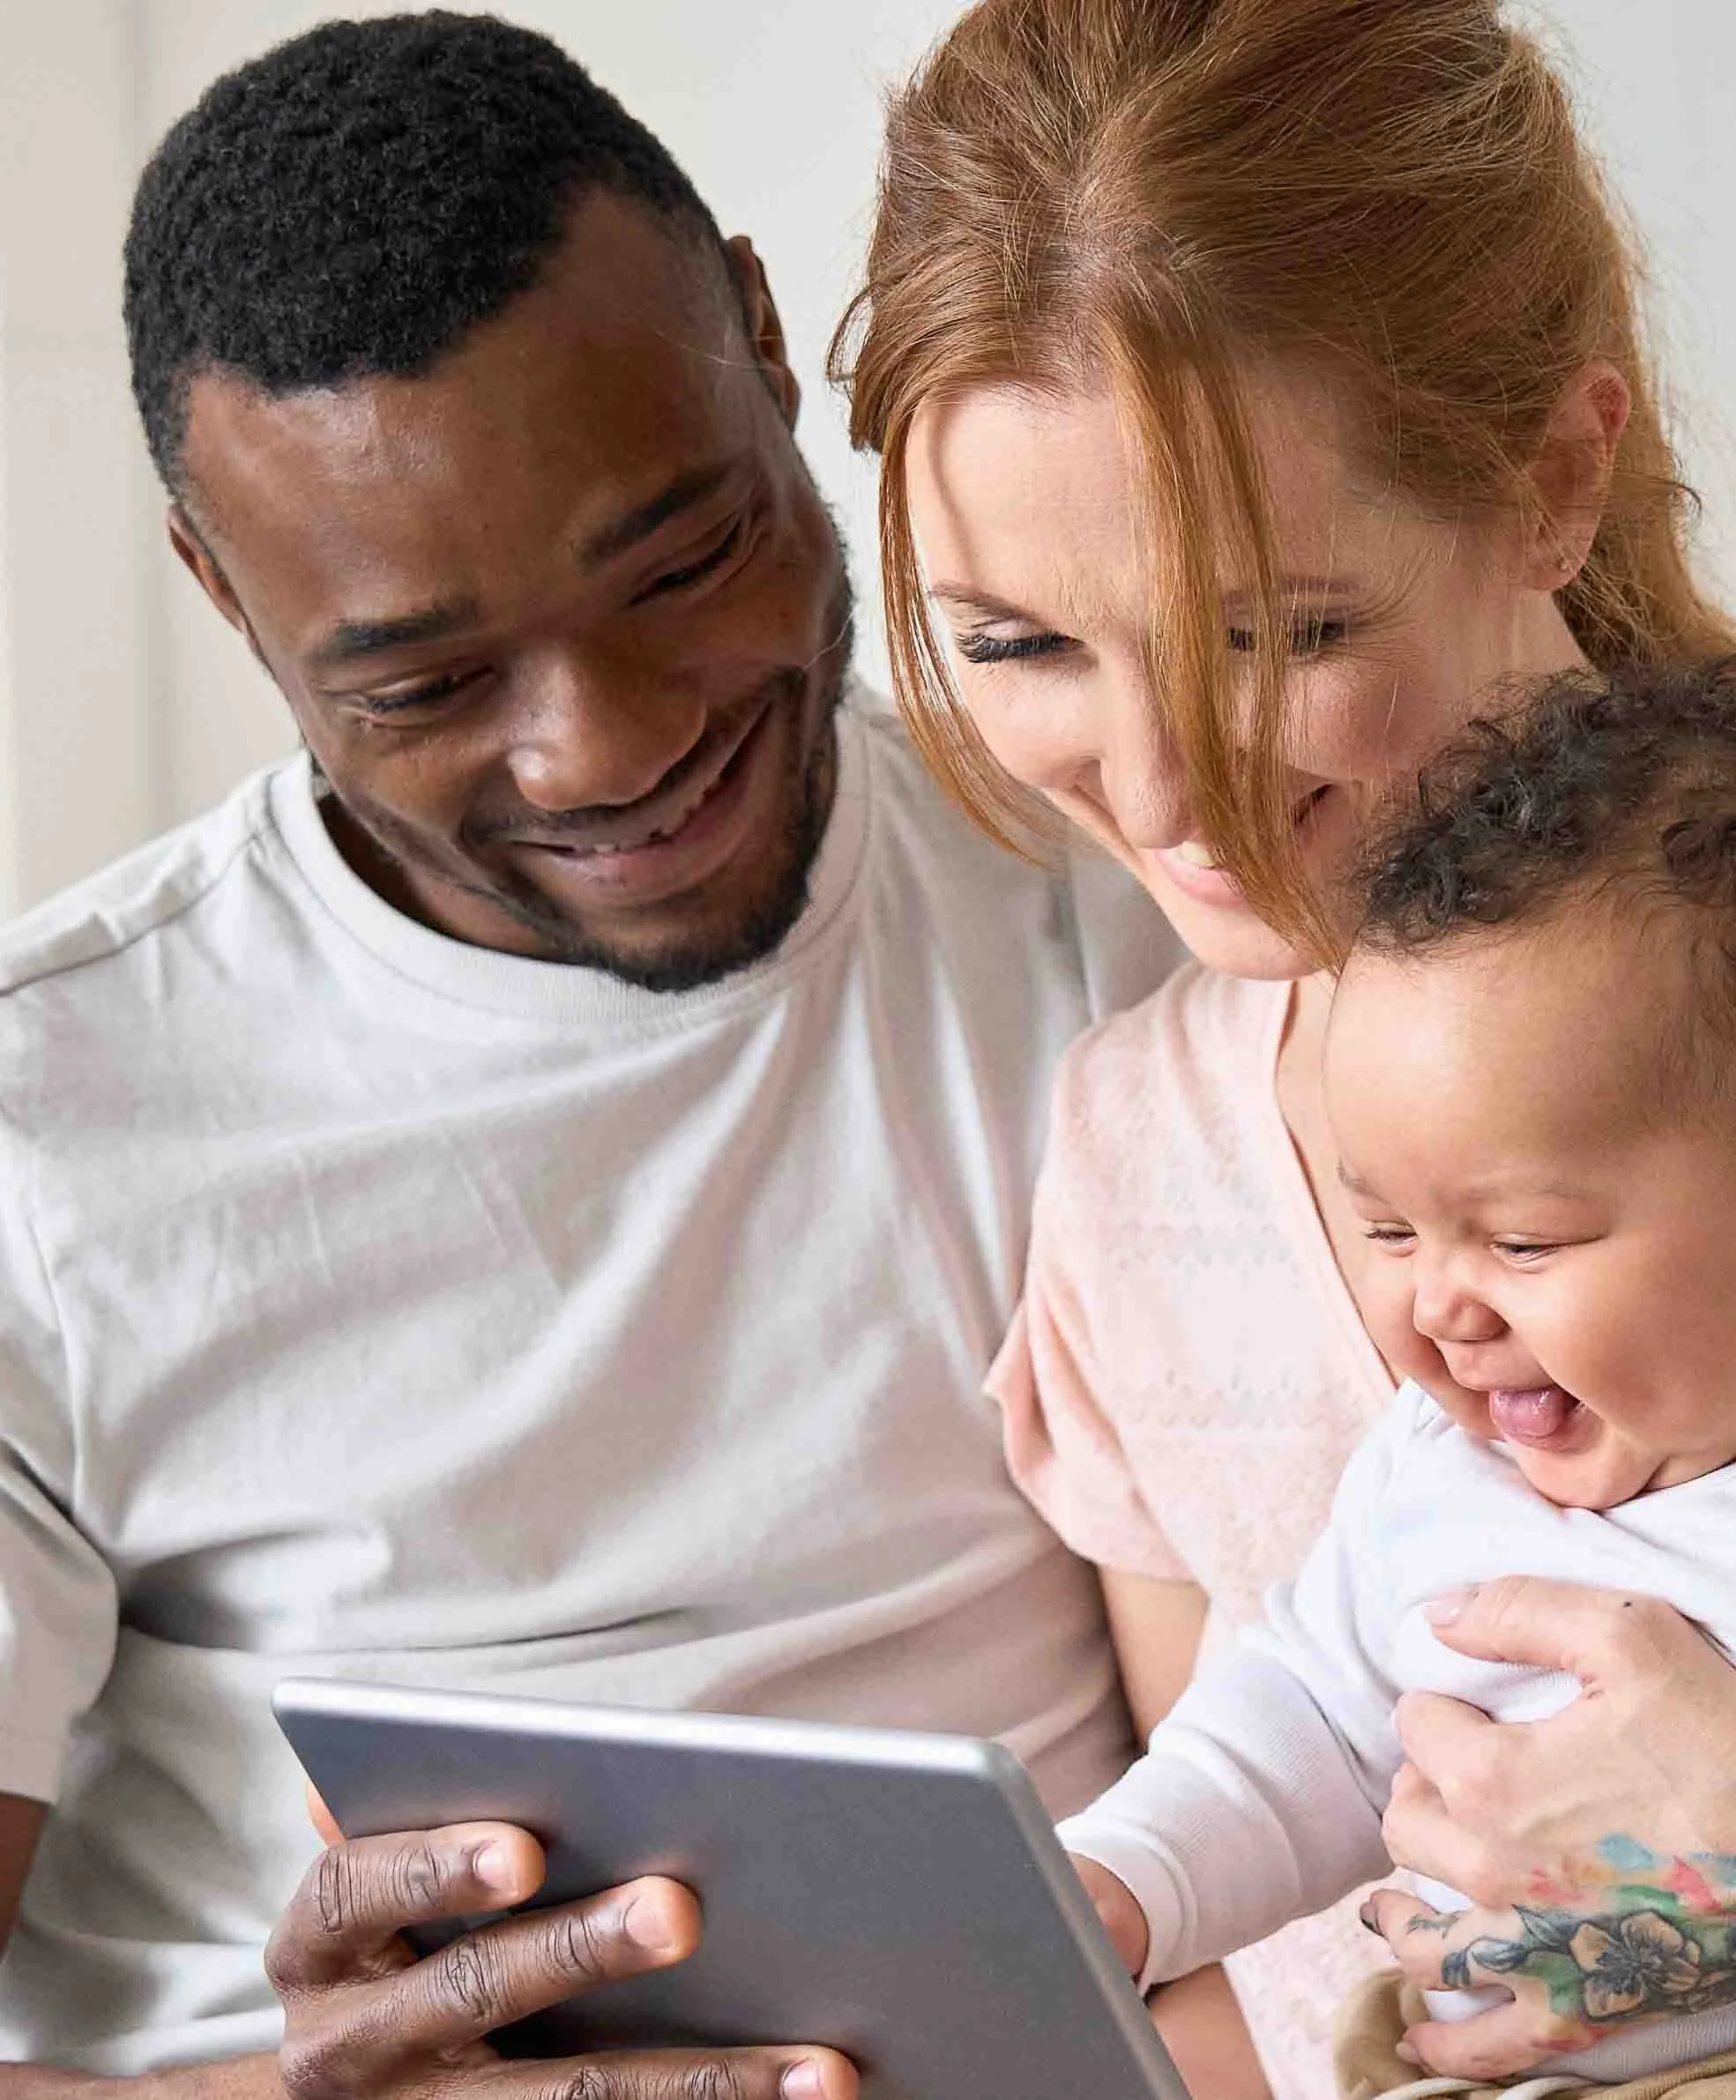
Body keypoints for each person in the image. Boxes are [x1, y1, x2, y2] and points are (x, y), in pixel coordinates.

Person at [832, 0, 1736, 2092]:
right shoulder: (1145, 1162)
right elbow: (1259, 1910)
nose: (1163, 792)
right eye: (1017, 643)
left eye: (1280, 631)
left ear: (1557, 478)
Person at [0, 13, 1187, 2091]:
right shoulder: (49, 1131)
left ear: (754, 329)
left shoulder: (1114, 908)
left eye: (685, 561)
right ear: (222, 589)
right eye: (431, 682)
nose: (612, 744)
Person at [1060, 662, 1736, 2100]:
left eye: (1524, 1237)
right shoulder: (1431, 1469)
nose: (1436, 1305)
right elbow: (1292, 1727)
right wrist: (1123, 1877)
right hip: (1456, 2056)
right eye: (1387, 1228)